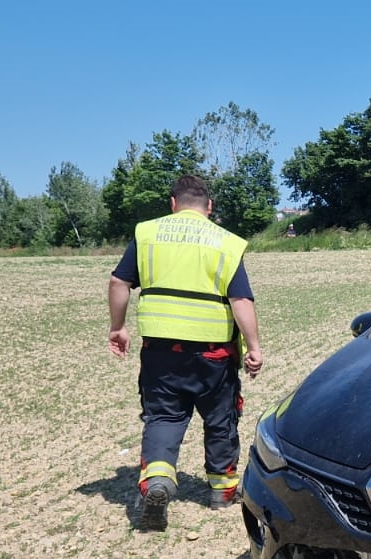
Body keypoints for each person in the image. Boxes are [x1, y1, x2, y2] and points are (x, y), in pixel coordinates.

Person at [108, 175, 264, 531]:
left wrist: (118, 327)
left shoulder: (147, 233)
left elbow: (119, 282)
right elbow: (240, 299)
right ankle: (222, 492)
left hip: (161, 352)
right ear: (209, 208)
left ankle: (158, 482)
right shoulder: (225, 242)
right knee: (220, 418)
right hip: (214, 355)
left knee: (163, 417)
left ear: (173, 204)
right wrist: (254, 347)